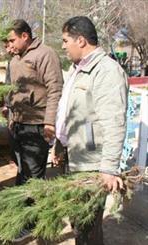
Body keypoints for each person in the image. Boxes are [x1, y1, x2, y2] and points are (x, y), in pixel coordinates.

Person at [52, 16, 127, 245]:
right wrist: (59, 145)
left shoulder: (106, 71)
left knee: (88, 228)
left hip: (91, 163)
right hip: (73, 157)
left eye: (66, 40)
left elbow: (114, 122)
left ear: (81, 40)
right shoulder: (77, 70)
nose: (63, 46)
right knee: (78, 222)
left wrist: (109, 167)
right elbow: (68, 113)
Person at [4, 19, 63, 186]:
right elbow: (12, 90)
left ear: (25, 36)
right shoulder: (15, 60)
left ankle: (29, 209)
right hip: (18, 125)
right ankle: (20, 209)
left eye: (12, 40)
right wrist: (11, 118)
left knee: (32, 177)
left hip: (36, 126)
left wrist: (49, 122)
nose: (10, 45)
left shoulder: (45, 54)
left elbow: (55, 89)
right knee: (23, 170)